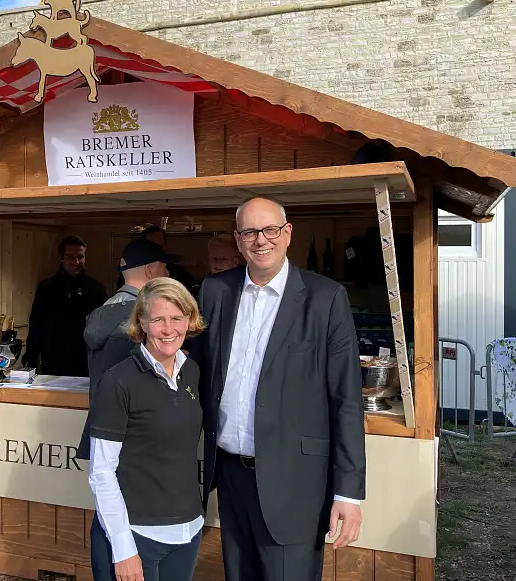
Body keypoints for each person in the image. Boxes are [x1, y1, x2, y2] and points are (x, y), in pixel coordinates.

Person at [190, 196, 366, 581]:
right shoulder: (215, 291)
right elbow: (196, 372)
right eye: (250, 232)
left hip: (295, 481)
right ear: (238, 240)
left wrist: (348, 493)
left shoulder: (325, 298)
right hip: (230, 476)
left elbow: (346, 400)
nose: (261, 240)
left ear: (287, 234)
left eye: (270, 230)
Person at [88, 278, 206, 581]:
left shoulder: (191, 372)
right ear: (142, 322)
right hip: (136, 535)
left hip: (186, 532)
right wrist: (124, 548)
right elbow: (101, 472)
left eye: (177, 318)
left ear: (189, 320)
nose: (169, 330)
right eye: (158, 320)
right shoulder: (119, 381)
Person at [76, 238, 172, 461]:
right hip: (135, 434)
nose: (167, 274)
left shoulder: (103, 310)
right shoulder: (141, 318)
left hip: (104, 429)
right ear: (149, 270)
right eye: (164, 267)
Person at [22, 236, 107, 377]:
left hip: (85, 359)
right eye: (70, 257)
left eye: (80, 257)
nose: (76, 262)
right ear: (61, 257)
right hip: (53, 358)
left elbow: (104, 327)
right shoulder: (47, 288)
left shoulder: (96, 288)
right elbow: (36, 324)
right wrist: (30, 356)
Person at [117, 226, 196, 291]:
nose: (156, 250)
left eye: (159, 245)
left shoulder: (179, 274)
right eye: (150, 246)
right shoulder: (129, 274)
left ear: (165, 245)